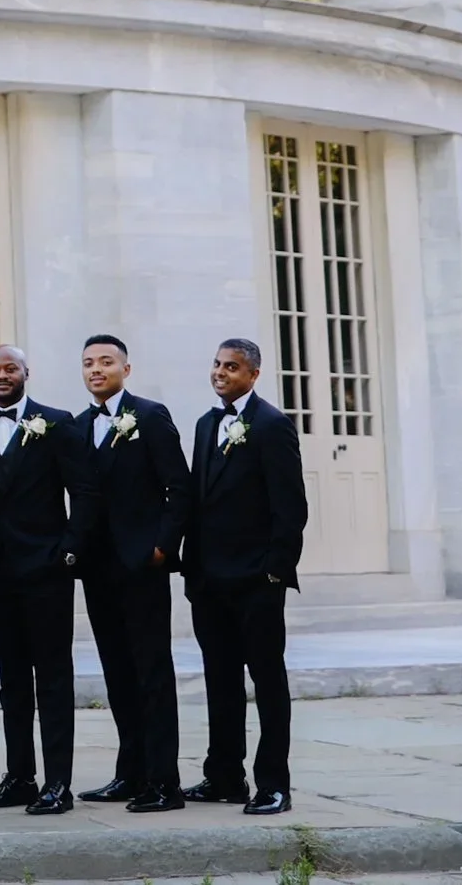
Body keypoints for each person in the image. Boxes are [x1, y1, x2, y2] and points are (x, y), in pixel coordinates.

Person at [183, 337, 306, 817]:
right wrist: (191, 567)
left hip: (256, 580)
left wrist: (274, 572)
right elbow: (198, 500)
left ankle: (274, 783)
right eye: (216, 364)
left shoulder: (272, 426)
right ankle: (224, 777)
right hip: (209, 581)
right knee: (220, 680)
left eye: (231, 367)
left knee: (268, 680)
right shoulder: (205, 424)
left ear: (253, 374)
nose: (220, 373)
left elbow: (291, 507)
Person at [0, 345, 86, 816]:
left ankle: (58, 784)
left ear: (26, 373)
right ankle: (19, 777)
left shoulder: (56, 422)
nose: (1, 375)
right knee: (11, 679)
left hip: (47, 571)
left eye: (10, 368)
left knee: (53, 677)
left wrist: (70, 550)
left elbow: (84, 491)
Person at [72, 333, 194, 814]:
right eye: (88, 363)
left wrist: (163, 547)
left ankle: (165, 782)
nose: (96, 369)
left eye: (106, 361)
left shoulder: (150, 415)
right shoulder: (81, 425)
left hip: (142, 566)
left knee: (151, 672)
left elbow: (178, 487)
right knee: (117, 673)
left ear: (126, 368)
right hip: (98, 570)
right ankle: (131, 772)